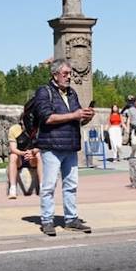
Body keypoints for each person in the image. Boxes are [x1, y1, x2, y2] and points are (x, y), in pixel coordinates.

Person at [33, 59, 94, 235]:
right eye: (65, 74)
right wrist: (74, 114)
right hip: (52, 145)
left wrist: (85, 116)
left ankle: (71, 219)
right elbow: (47, 118)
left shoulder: (72, 93)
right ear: (55, 75)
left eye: (70, 74)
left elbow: (77, 119)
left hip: (70, 145)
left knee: (71, 184)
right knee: (49, 185)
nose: (69, 77)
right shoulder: (44, 92)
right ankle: (47, 220)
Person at [7, 98, 41, 199]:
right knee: (12, 156)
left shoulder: (36, 129)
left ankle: (42, 187)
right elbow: (13, 149)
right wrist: (23, 153)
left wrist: (33, 152)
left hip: (32, 157)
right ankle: (12, 188)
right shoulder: (14, 129)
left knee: (39, 155)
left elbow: (42, 146)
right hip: (20, 157)